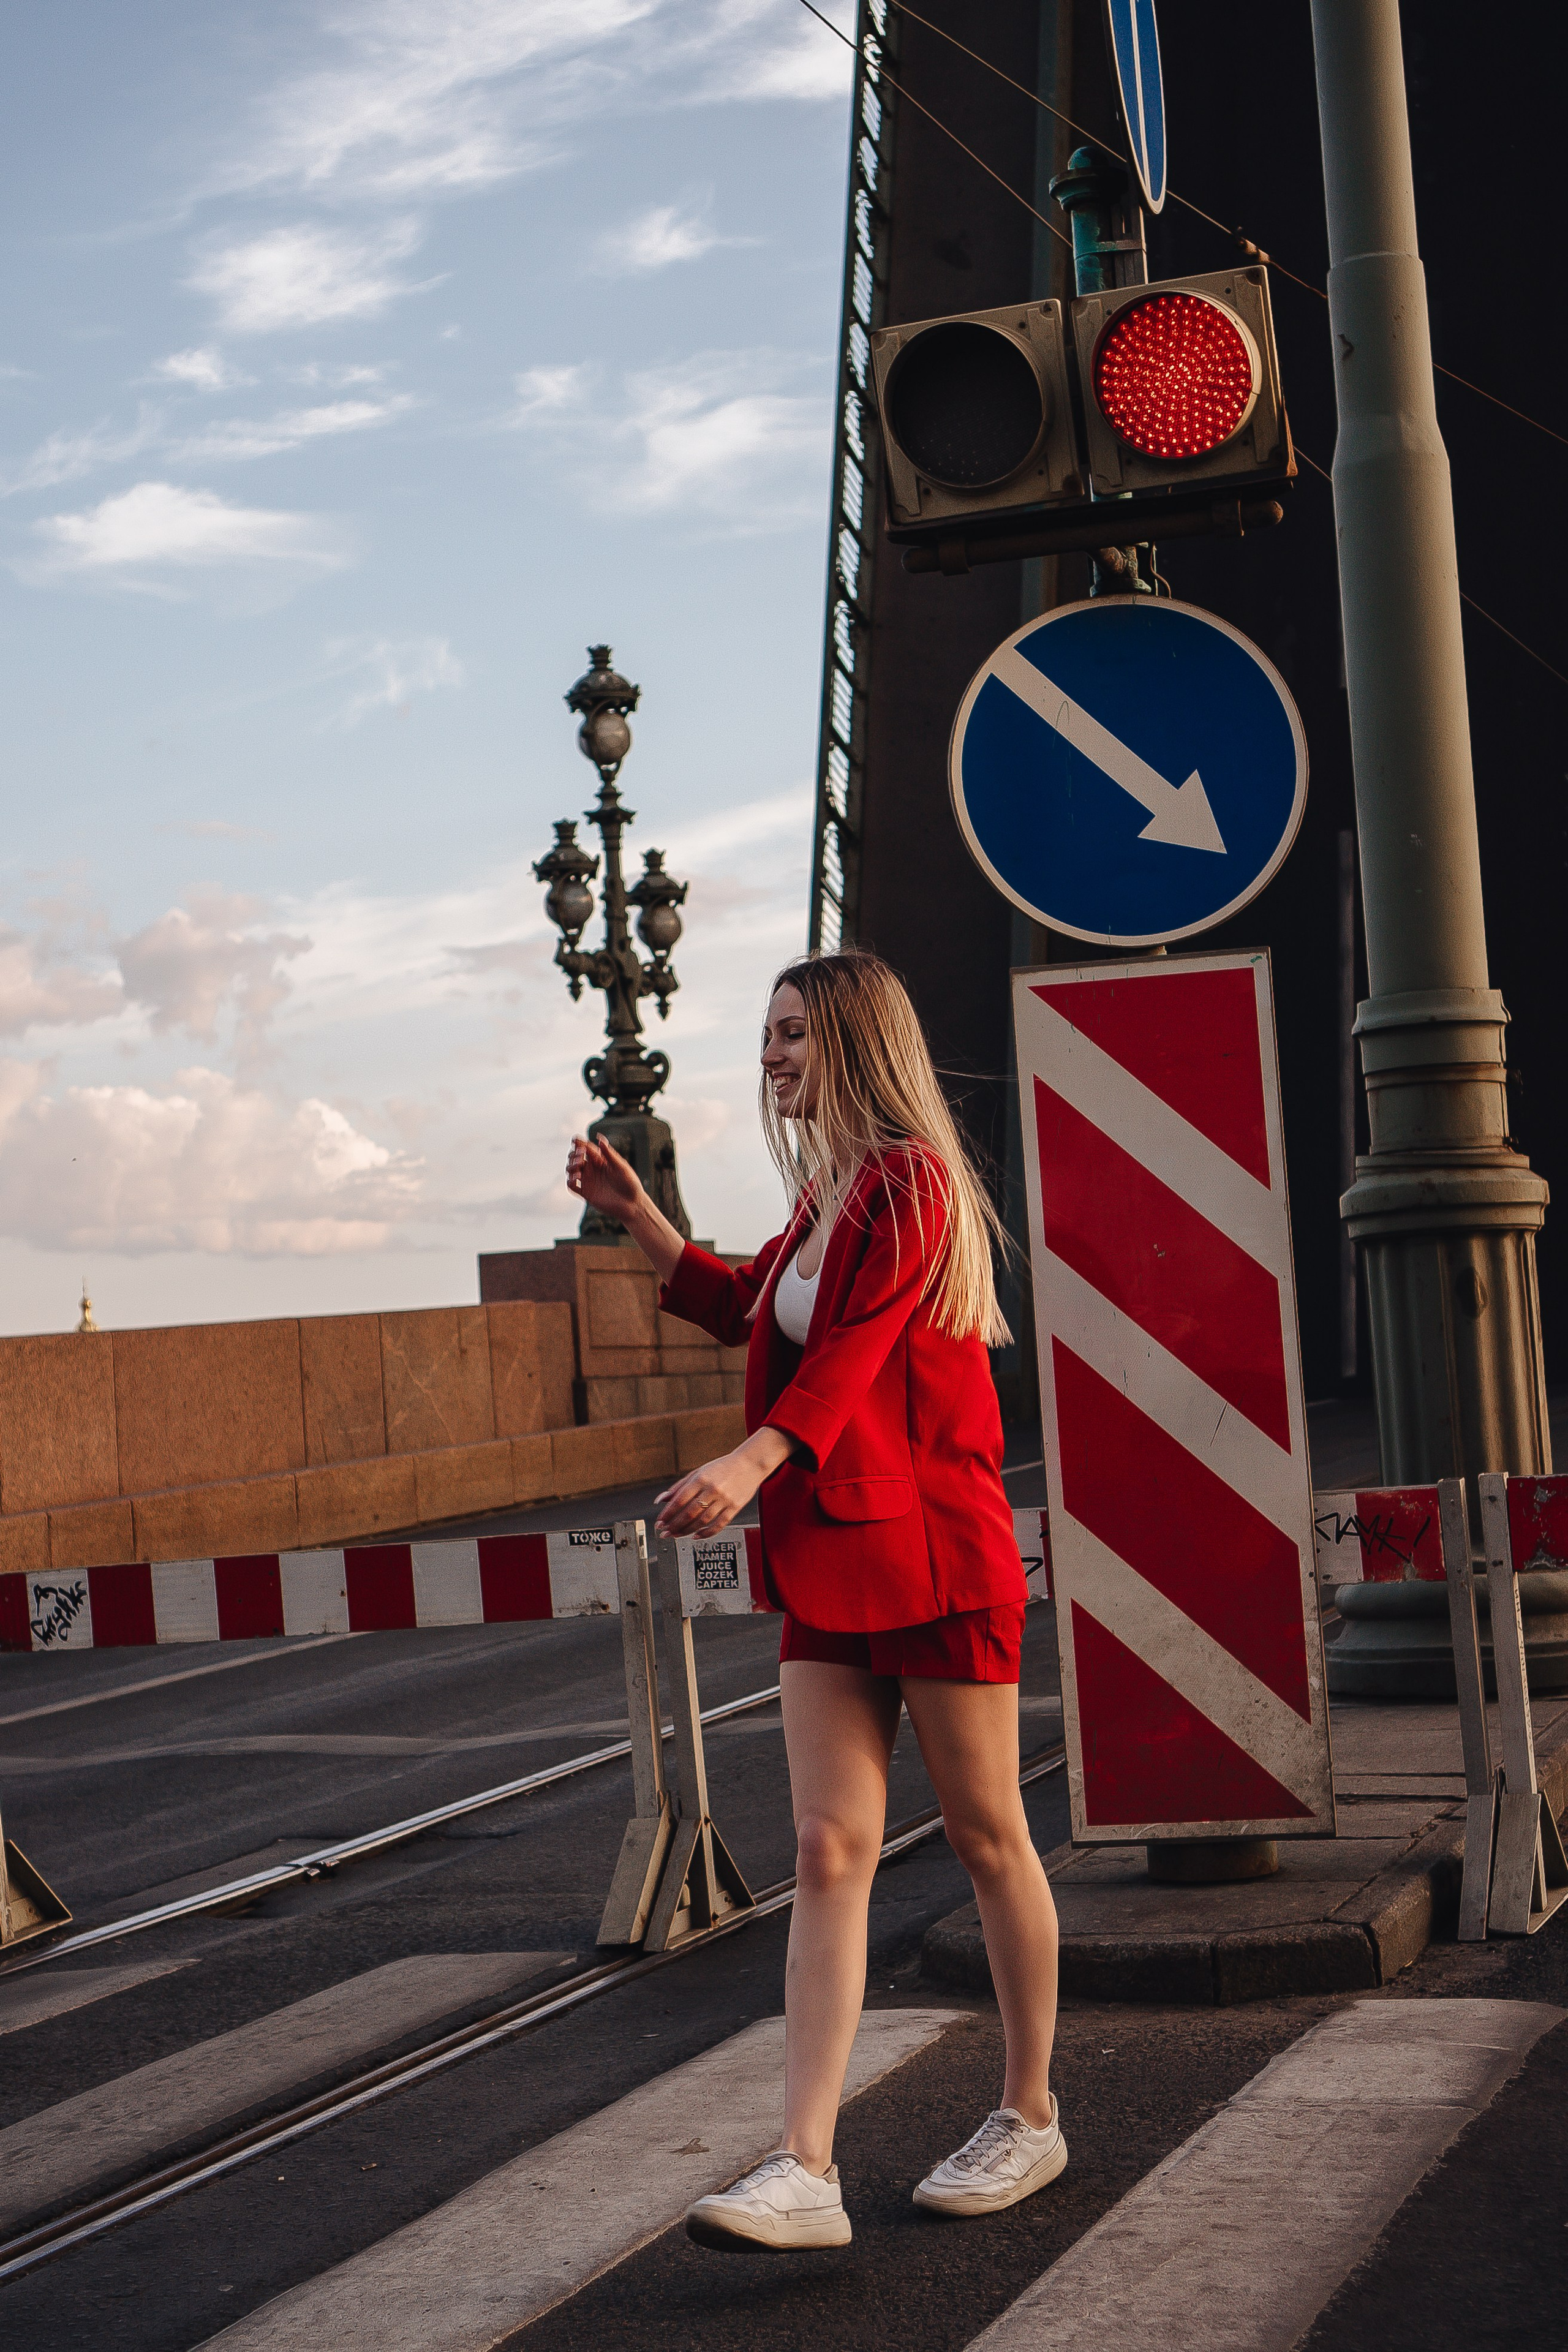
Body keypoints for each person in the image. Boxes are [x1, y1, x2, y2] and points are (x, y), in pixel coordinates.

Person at [566, 949, 1061, 2250]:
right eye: (769, 1033)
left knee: (985, 1836)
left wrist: (749, 1458)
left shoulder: (909, 1180)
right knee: (828, 1850)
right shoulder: (823, 1201)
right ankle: (803, 2166)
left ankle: (1028, 2114)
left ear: (851, 1041)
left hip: (932, 1555)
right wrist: (640, 1219)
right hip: (836, 1564)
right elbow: (750, 1307)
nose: (773, 1054)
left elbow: (844, 1362)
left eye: (793, 1033)